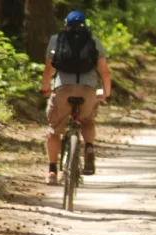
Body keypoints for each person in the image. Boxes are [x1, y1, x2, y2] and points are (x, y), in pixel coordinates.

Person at [40, 10, 111, 185]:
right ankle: (88, 147)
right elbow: (104, 71)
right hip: (88, 90)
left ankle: (52, 171)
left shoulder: (56, 40)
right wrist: (105, 92)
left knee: (54, 131)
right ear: (85, 25)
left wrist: (45, 88)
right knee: (88, 121)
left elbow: (49, 69)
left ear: (65, 24)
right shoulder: (94, 42)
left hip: (63, 89)